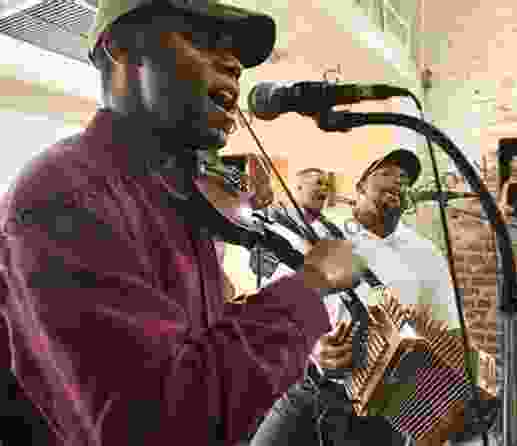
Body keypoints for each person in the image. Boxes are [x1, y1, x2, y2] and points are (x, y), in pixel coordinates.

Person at [0, 1, 366, 445]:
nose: (233, 64)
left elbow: (188, 348)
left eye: (234, 53)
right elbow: (161, 423)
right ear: (118, 46)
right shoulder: (68, 193)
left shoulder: (177, 195)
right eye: (204, 40)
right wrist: (309, 286)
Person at [250, 149, 499, 446]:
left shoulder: (425, 253)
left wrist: (475, 376)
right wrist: (315, 349)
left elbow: (449, 327)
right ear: (361, 186)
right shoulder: (320, 236)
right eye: (386, 173)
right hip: (309, 391)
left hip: (385, 410)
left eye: (405, 179)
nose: (397, 181)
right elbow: (276, 312)